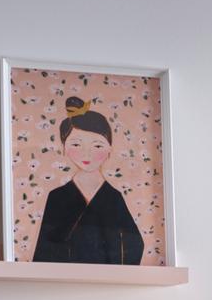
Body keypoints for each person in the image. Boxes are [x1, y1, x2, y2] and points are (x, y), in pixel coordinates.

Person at [32, 97, 144, 264]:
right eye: (76, 145)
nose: (86, 153)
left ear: (109, 149)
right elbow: (44, 253)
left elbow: (135, 244)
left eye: (97, 146)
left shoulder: (113, 198)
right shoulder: (57, 197)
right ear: (64, 147)